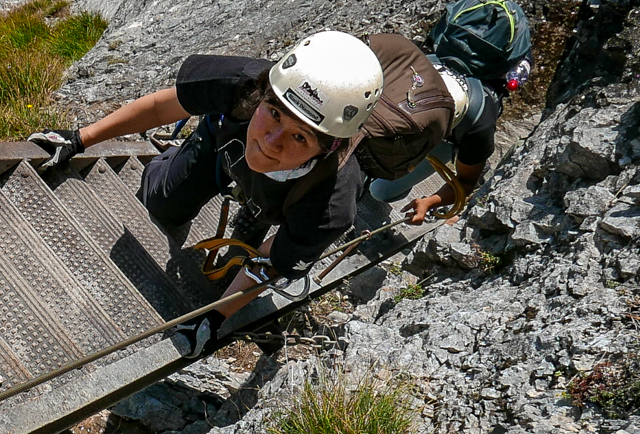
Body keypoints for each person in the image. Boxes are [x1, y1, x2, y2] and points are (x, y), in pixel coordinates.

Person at [28, 31, 385, 357]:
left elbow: (274, 258)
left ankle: (246, 219)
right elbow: (161, 107)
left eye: (299, 137)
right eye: (273, 113)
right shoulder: (243, 84)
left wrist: (213, 319)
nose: (271, 142)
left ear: (327, 148)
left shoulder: (331, 205)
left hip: (273, 198)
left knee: (243, 253)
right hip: (218, 150)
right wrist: (80, 138)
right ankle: (173, 162)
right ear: (263, 95)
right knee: (161, 206)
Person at [367, 0, 533, 224]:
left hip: (450, 135)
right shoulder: (407, 75)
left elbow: (465, 182)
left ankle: (394, 178)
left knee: (380, 191)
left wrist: (429, 202)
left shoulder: (477, 124)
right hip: (449, 127)